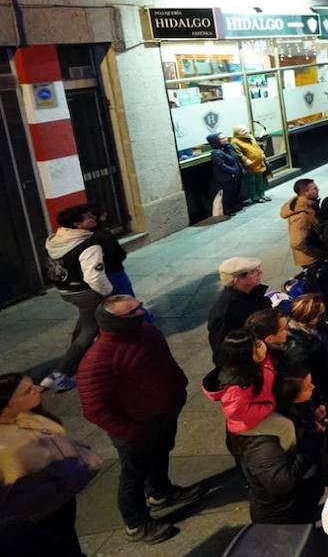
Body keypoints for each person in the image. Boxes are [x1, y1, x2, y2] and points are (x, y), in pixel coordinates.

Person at [76, 295, 203, 543]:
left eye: (140, 307)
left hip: (163, 414)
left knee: (160, 454)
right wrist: (132, 432)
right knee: (133, 474)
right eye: (133, 312)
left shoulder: (146, 331)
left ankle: (160, 493)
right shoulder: (99, 360)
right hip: (135, 428)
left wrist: (178, 390)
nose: (141, 313)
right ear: (114, 320)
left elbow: (166, 362)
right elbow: (94, 408)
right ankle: (135, 523)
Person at [0, 372, 103, 554]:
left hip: (60, 501)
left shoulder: (30, 418)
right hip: (37, 515)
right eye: (27, 391)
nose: (39, 389)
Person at [226, 363, 326, 524]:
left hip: (301, 502)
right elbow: (281, 484)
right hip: (282, 514)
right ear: (290, 394)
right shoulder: (264, 442)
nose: (313, 387)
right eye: (307, 388)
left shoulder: (293, 409)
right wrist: (310, 445)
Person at [41, 205, 115, 392]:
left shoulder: (55, 240)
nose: (94, 218)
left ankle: (76, 362)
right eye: (88, 216)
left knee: (84, 322)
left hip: (67, 291)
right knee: (89, 331)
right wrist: (108, 293)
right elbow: (95, 277)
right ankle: (58, 375)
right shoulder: (89, 246)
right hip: (86, 293)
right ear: (77, 224)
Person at [207, 256, 270, 358]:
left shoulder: (251, 293)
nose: (260, 272)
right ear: (236, 280)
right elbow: (222, 352)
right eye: (253, 272)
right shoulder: (225, 312)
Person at [280, 178, 323, 267]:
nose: (318, 190)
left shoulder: (308, 205)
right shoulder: (301, 216)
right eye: (314, 188)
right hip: (311, 260)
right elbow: (297, 242)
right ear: (305, 192)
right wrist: (318, 252)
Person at [207, 131, 245, 216]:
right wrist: (233, 170)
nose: (226, 139)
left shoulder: (228, 148)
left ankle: (234, 206)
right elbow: (221, 165)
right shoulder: (216, 153)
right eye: (222, 138)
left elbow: (235, 159)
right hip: (227, 177)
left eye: (225, 137)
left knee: (235, 191)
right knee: (228, 194)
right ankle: (228, 209)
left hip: (235, 175)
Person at [230, 126, 271, 204]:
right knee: (251, 181)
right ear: (237, 133)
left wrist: (262, 155)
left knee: (260, 180)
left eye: (245, 129)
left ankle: (262, 194)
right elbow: (238, 153)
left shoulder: (250, 136)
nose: (245, 131)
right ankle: (255, 197)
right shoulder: (235, 141)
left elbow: (257, 147)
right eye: (242, 131)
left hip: (258, 162)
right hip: (249, 165)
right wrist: (245, 160)